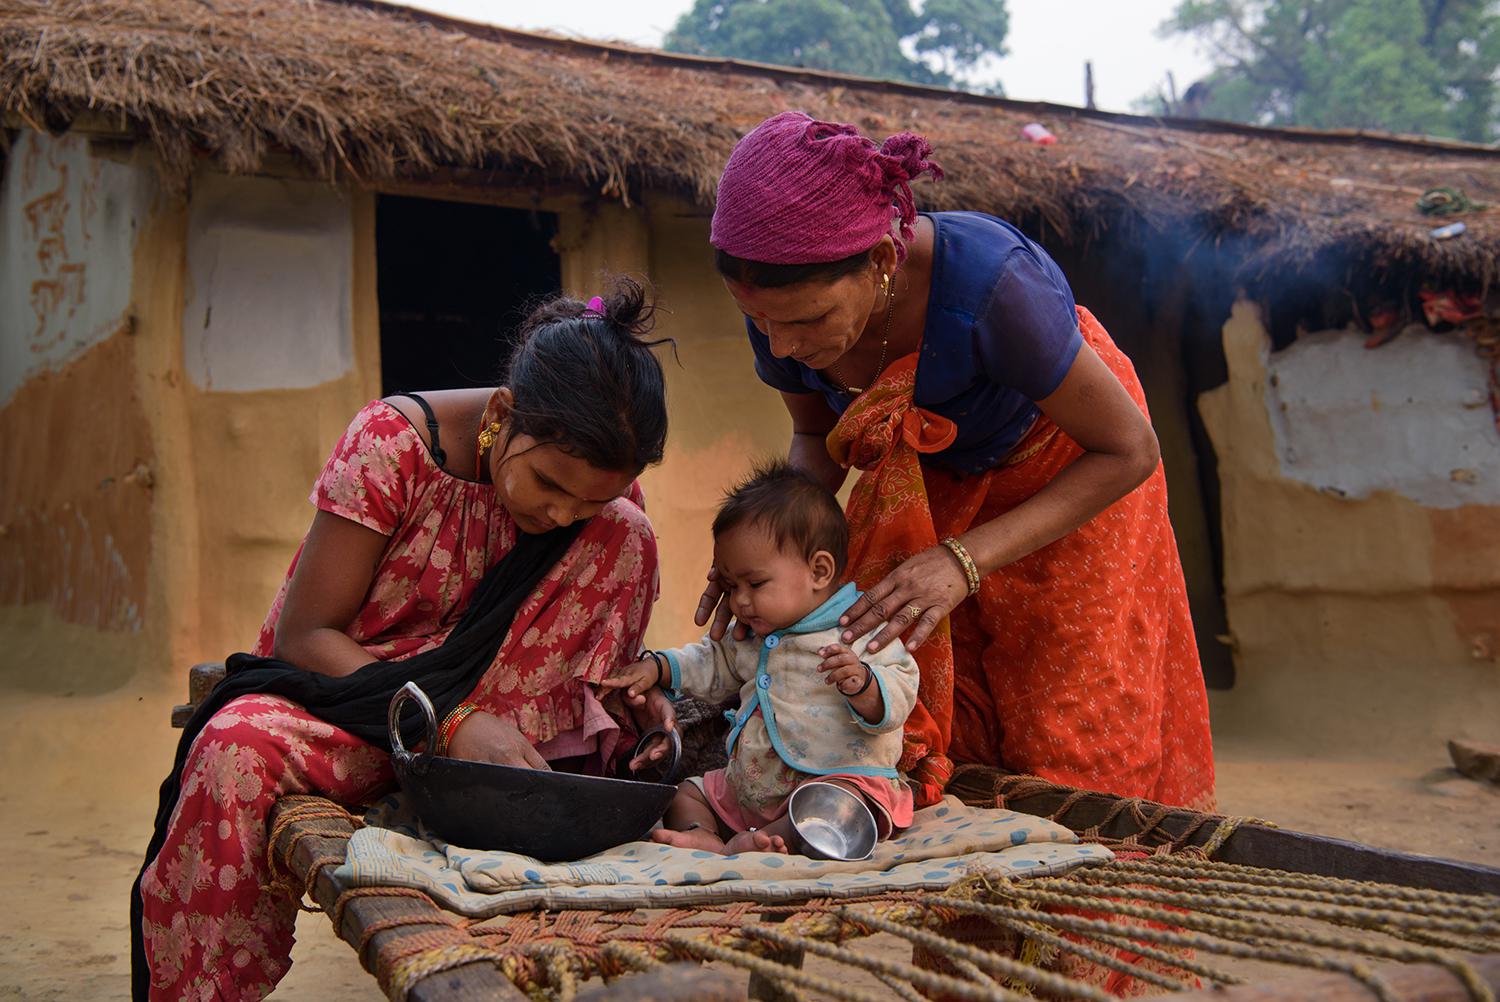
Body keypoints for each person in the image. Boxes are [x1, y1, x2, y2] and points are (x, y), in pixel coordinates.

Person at [133, 280, 678, 1001]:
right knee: (232, 748)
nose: (562, 512)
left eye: (589, 498)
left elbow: (573, 657)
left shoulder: (605, 518)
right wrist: (447, 723)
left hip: (510, 752)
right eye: (549, 483)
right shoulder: (392, 446)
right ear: (501, 415)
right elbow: (305, 637)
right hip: (360, 710)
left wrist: (635, 704)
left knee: (627, 536)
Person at [697, 111, 1215, 813]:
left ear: (882, 260)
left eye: (809, 322)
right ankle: (981, 912)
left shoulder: (998, 288)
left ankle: (1082, 913)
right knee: (948, 721)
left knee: (1072, 729)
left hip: (1068, 472)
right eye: (760, 323)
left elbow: (1129, 450)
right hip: (936, 491)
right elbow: (817, 443)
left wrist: (960, 562)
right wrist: (761, 556)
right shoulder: (778, 308)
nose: (782, 347)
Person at [607, 460, 919, 855]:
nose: (739, 599)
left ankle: (774, 837)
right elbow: (711, 662)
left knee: (840, 806)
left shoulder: (858, 626)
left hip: (835, 777)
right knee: (689, 792)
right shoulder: (753, 635)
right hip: (754, 784)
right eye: (732, 585)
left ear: (819, 571)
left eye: (755, 583)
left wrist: (867, 686)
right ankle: (707, 833)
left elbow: (904, 684)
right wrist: (657, 666)